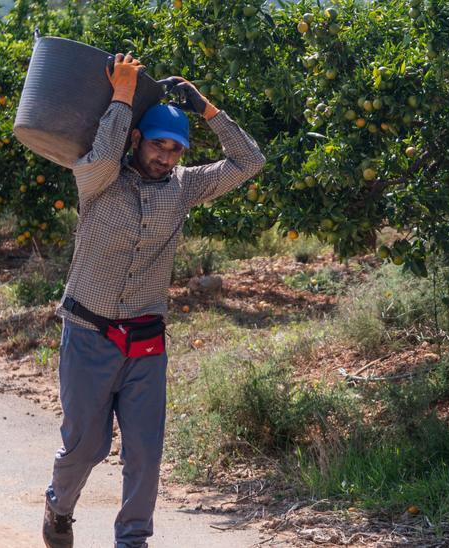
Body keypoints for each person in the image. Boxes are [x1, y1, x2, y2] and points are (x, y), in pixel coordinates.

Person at [41, 52, 265, 548]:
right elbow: (100, 155)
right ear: (137, 140)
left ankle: (133, 539)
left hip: (144, 341)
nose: (167, 157)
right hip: (88, 334)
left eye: (176, 150)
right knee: (86, 446)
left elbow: (250, 161)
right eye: (159, 145)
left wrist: (208, 111)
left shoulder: (184, 188)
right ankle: (59, 507)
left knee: (144, 451)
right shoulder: (98, 182)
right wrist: (122, 94)